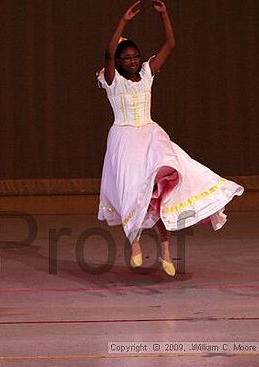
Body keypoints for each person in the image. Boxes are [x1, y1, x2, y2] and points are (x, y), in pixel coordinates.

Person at [97, 0, 243, 276]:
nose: (132, 61)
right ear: (117, 62)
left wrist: (164, 15)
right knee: (134, 192)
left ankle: (165, 249)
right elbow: (107, 51)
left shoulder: (147, 74)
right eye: (126, 58)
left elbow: (170, 45)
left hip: (150, 134)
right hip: (124, 139)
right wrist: (123, 21)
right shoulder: (112, 80)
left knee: (160, 192)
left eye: (135, 56)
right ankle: (135, 242)